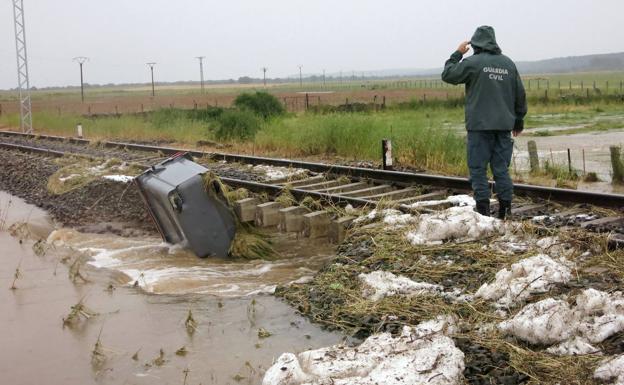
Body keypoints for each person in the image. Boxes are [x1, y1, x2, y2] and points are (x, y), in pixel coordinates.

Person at [441, 25, 527, 219]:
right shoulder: (508, 64)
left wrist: (457, 53)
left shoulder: (473, 62)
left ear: (476, 42)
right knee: (501, 169)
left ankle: (483, 212)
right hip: (504, 126)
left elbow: (448, 75)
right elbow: (519, 94)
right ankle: (505, 211)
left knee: (478, 169)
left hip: (479, 127)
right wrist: (518, 120)